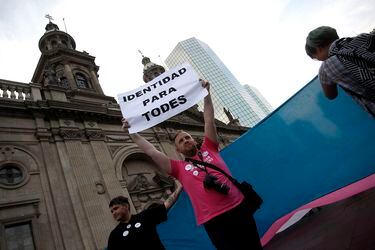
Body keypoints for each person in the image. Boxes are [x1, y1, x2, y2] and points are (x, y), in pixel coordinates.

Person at [122, 80, 262, 250]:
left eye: (187, 137)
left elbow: (209, 120)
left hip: (240, 208)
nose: (186, 140)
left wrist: (206, 93)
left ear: (194, 140)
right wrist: (133, 134)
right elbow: (151, 151)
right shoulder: (178, 169)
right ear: (178, 149)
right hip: (214, 220)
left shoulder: (210, 148)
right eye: (181, 140)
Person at [305, 26, 375, 117]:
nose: (319, 60)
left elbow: (331, 95)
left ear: (318, 49)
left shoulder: (325, 68)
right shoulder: (363, 38)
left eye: (315, 57)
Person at [107, 182, 182, 250]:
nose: (113, 213)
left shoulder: (145, 216)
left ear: (126, 206)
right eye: (112, 211)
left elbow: (167, 204)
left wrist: (180, 186)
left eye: (116, 208)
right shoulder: (114, 235)